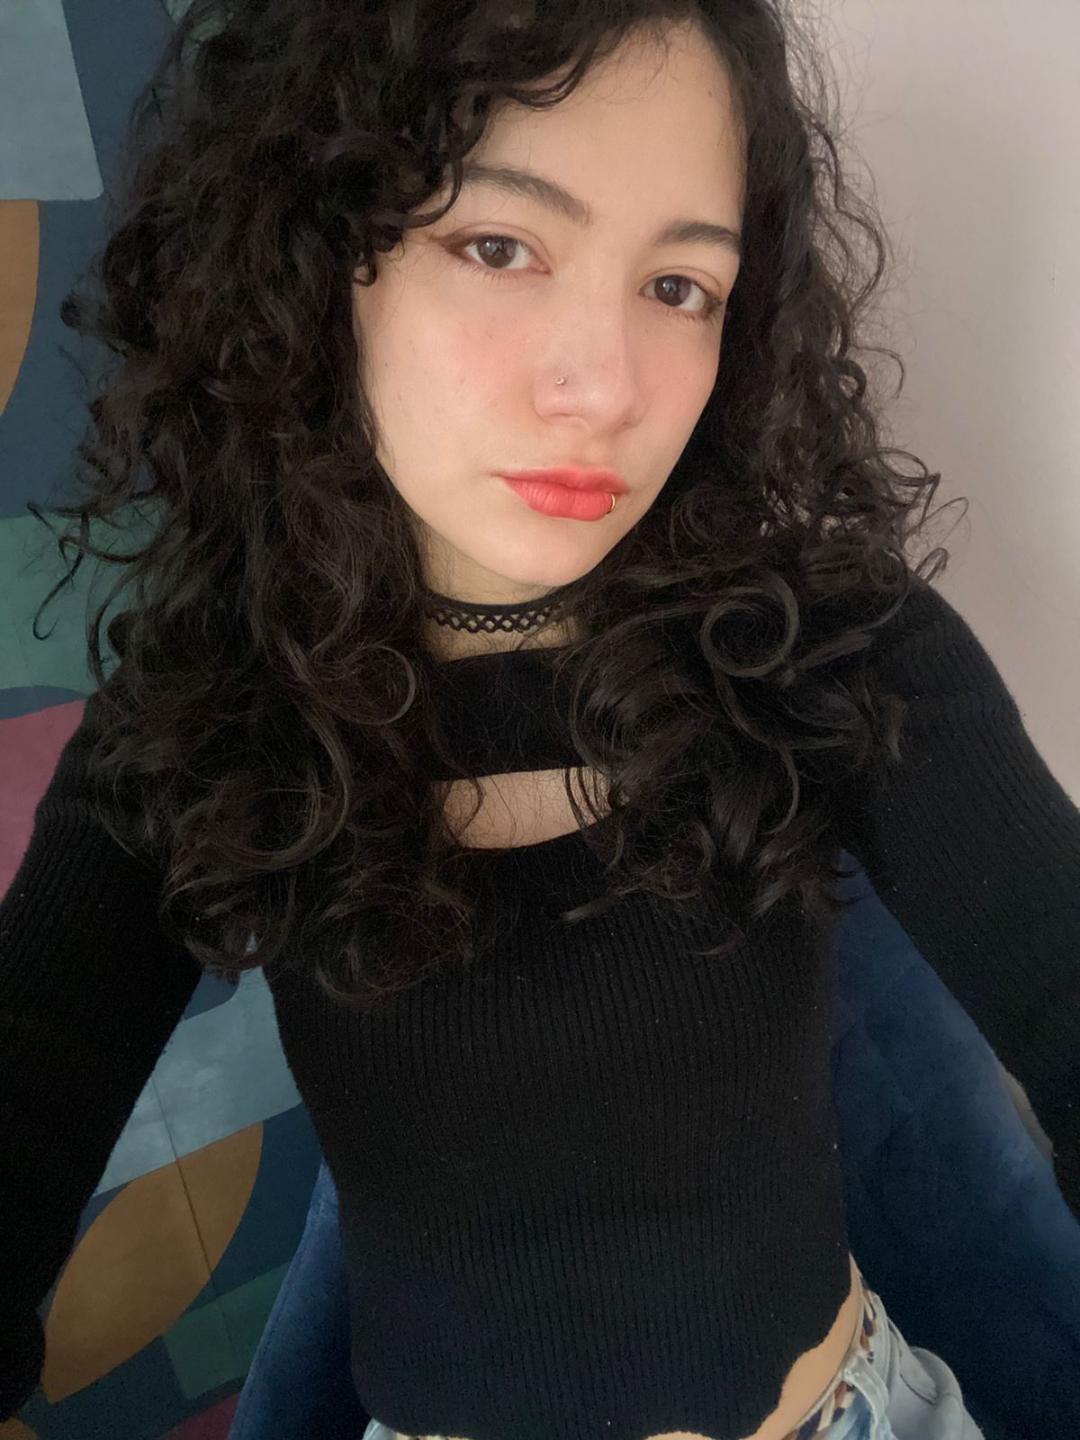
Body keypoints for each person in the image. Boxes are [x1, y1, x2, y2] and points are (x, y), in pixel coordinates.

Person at [2, 1, 1077, 1437]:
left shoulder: (832, 643)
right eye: (500, 246)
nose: (605, 388)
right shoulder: (214, 702)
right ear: (322, 256)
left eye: (680, 286)